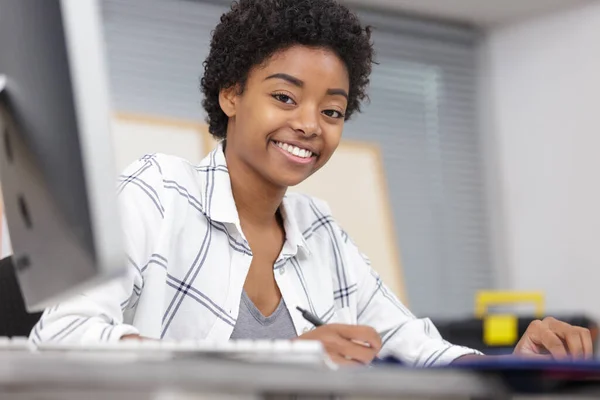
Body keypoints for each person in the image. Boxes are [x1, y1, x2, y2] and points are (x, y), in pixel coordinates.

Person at [30, 0, 593, 366]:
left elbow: (415, 348)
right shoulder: (154, 194)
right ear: (230, 95)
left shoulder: (319, 231)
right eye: (283, 96)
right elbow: (61, 339)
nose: (309, 124)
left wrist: (515, 367)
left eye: (333, 111)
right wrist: (275, 365)